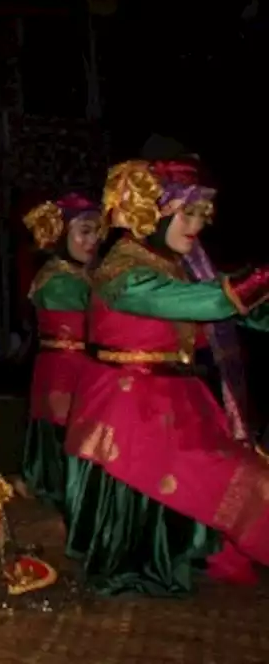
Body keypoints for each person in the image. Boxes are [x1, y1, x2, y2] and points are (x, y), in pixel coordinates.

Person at [65, 158, 269, 595]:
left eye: (201, 215)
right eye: (186, 212)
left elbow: (227, 306)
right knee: (245, 478)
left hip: (175, 401)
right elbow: (208, 303)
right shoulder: (125, 272)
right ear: (152, 212)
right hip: (132, 408)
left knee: (247, 470)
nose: (195, 225)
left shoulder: (174, 265)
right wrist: (258, 282)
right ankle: (151, 563)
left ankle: (188, 552)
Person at [19, 192, 99, 512]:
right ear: (64, 234)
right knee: (63, 440)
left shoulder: (83, 275)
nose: (92, 241)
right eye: (85, 231)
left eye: (97, 232)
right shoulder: (58, 280)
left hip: (79, 370)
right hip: (64, 371)